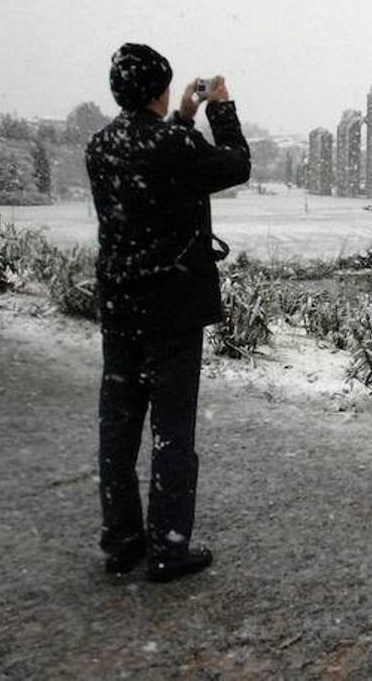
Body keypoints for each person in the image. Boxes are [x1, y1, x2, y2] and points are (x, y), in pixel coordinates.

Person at [86, 43, 251, 582]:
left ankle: (122, 542)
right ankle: (167, 549)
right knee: (173, 434)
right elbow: (235, 163)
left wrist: (181, 115)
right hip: (172, 308)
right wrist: (220, 107)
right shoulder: (172, 147)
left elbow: (152, 154)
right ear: (158, 88)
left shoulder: (101, 145)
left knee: (119, 429)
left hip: (120, 306)